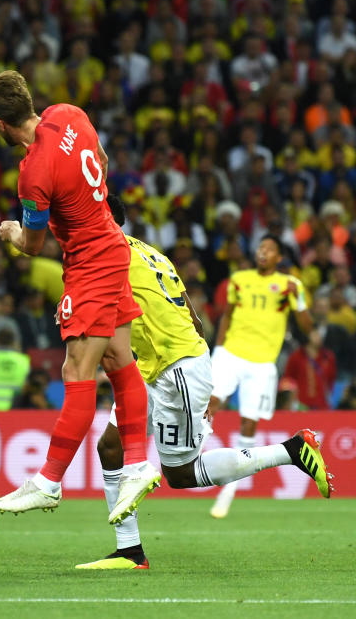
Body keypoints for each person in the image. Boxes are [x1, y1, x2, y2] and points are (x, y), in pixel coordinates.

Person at [78, 198, 334, 570]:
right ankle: (129, 552)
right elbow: (193, 316)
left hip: (176, 367)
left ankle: (293, 450)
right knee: (109, 447)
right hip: (154, 367)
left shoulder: (111, 255)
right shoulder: (152, 254)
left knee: (181, 474)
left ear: (101, 219)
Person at [0, 70, 158, 521]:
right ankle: (137, 463)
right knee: (120, 361)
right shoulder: (70, 114)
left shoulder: (32, 173)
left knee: (76, 369)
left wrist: (11, 232)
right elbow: (98, 155)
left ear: (0, 124)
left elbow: (34, 246)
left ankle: (49, 481)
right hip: (114, 244)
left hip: (90, 264)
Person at [207, 235, 316, 519]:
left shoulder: (290, 285)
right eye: (260, 248)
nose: (262, 252)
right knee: (210, 402)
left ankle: (230, 488)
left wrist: (298, 295)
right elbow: (227, 316)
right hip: (230, 353)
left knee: (249, 422)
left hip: (262, 364)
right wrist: (218, 349)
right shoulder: (240, 278)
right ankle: (192, 458)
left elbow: (306, 325)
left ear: (279, 257)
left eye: (269, 249)